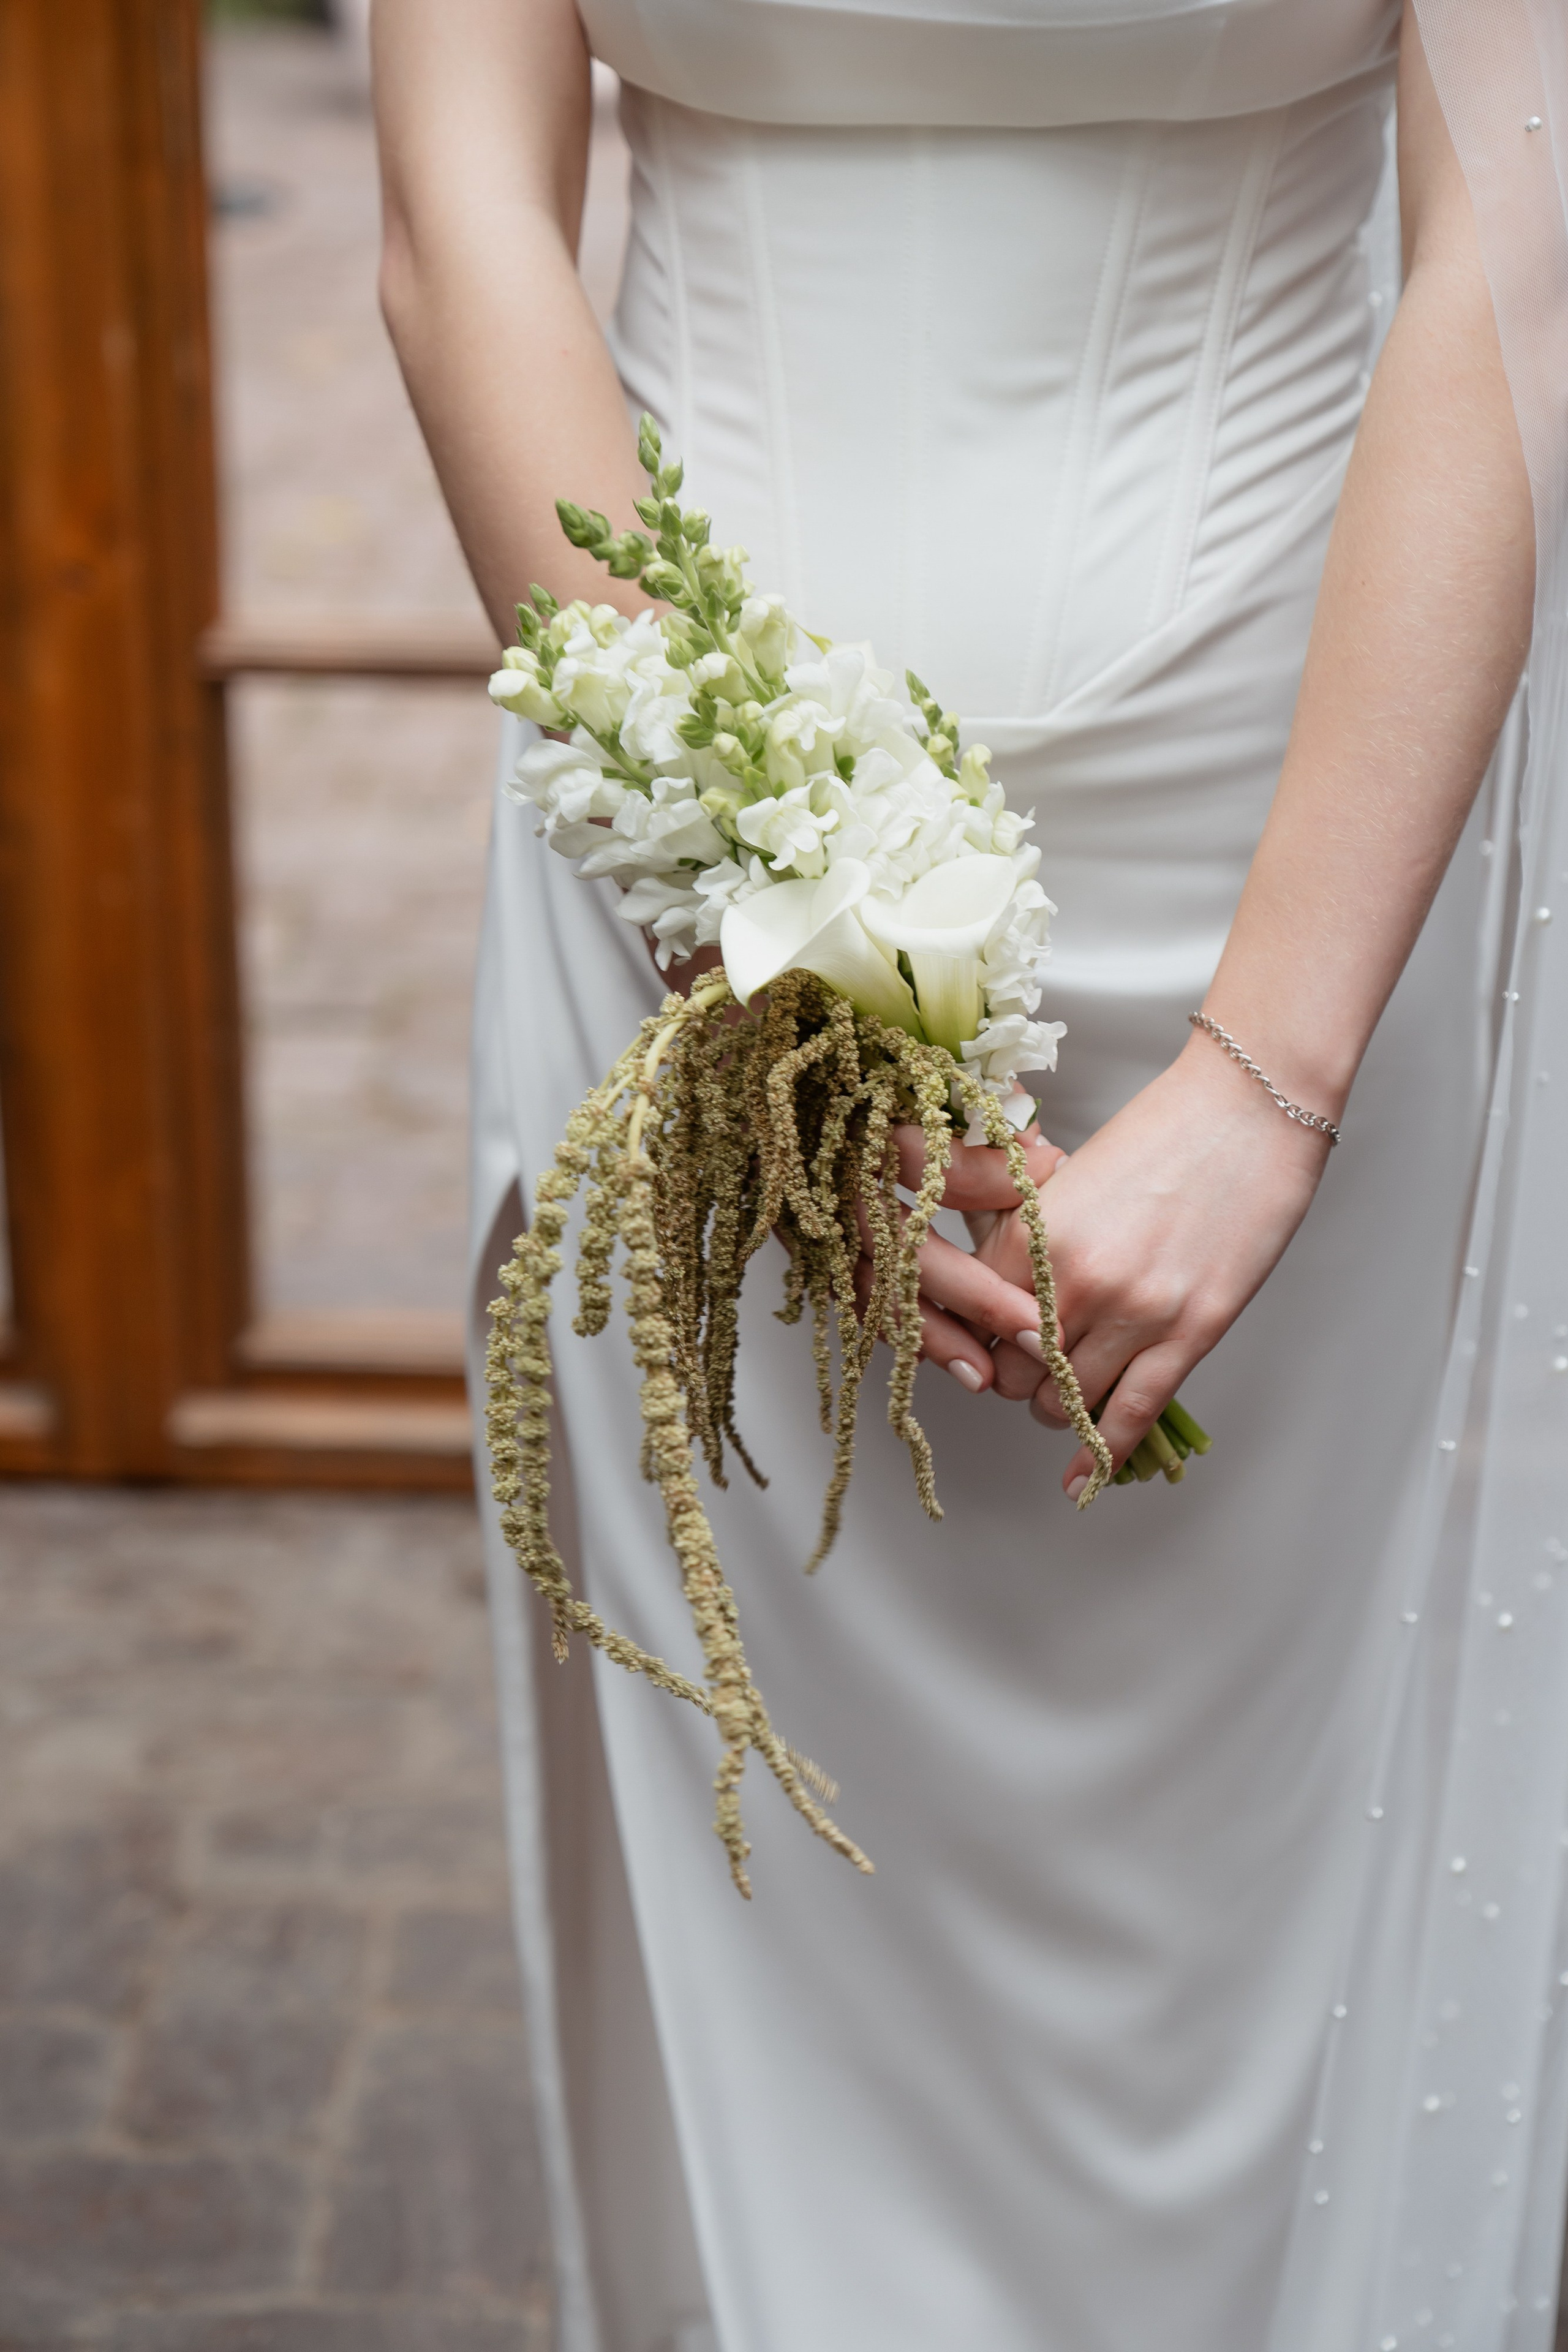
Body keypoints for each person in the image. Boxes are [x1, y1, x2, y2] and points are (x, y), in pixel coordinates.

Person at [372, 2, 1568, 2345]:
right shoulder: (708, 895)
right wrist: (758, 936)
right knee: (781, 1863)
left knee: (1279, 1860)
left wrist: (1270, 1075)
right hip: (683, 851)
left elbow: (1523, 246)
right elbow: (455, 224)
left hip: (1309, 811)